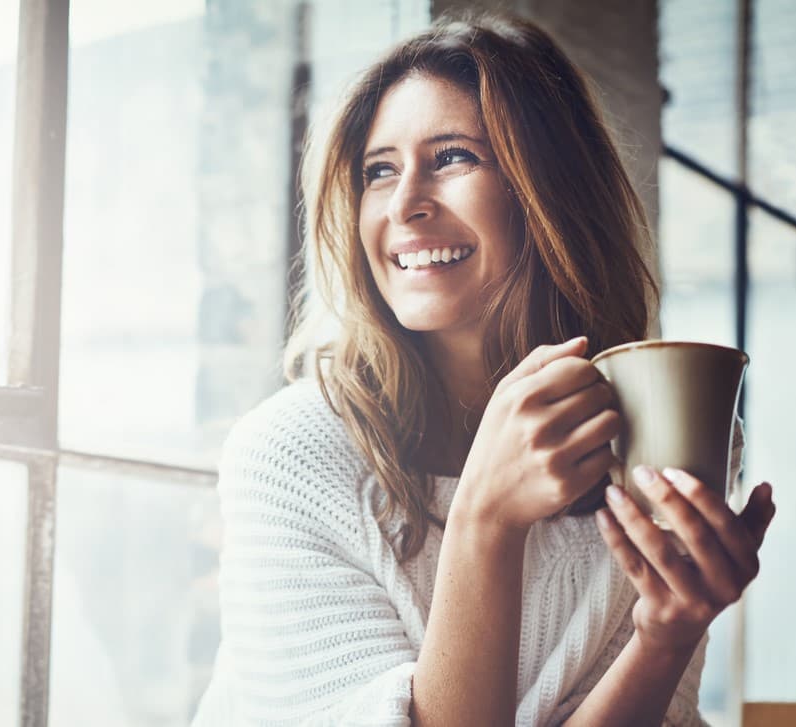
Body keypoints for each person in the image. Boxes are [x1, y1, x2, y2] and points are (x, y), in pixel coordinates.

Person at [192, 12, 775, 727]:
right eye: (379, 171)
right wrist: (484, 516)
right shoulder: (288, 453)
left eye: (452, 158)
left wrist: (665, 634)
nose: (404, 204)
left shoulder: (654, 439)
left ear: (549, 191)